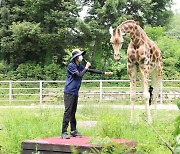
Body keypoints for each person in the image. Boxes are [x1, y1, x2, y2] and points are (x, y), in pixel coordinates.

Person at [61, 49, 113, 139]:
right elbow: (79, 75)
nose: (81, 57)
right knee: (68, 112)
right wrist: (86, 67)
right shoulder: (71, 66)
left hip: (75, 92)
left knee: (73, 112)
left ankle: (73, 131)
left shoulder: (79, 66)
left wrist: (104, 73)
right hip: (69, 92)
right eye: (79, 55)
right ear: (75, 58)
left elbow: (90, 70)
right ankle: (64, 132)